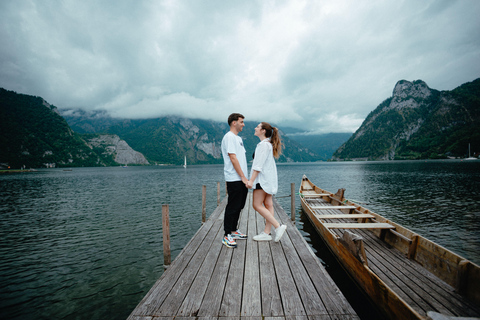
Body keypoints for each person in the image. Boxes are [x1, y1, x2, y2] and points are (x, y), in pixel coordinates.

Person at [246, 122, 287, 242]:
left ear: (263, 131)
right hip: (268, 179)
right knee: (268, 204)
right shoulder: (268, 144)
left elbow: (258, 166)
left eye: (258, 127)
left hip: (262, 180)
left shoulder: (263, 145)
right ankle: (267, 233)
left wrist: (251, 181)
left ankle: (278, 226)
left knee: (256, 205)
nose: (255, 128)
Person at [221, 113, 249, 248]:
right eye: (241, 122)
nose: (243, 124)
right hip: (234, 178)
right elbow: (233, 158)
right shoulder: (229, 137)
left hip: (241, 178)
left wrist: (245, 177)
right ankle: (227, 235)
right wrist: (243, 177)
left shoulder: (238, 138)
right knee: (232, 206)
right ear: (234, 123)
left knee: (239, 205)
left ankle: (233, 230)